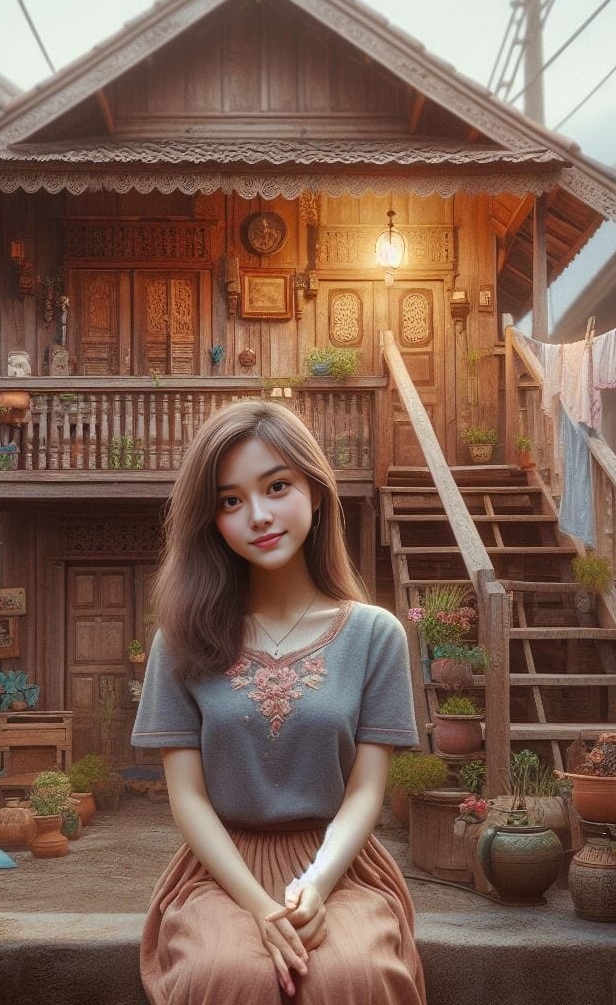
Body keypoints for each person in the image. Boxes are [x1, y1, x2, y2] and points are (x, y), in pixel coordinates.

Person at [132, 401, 425, 1005]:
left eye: (277, 486)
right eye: (230, 500)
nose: (258, 515)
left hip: (340, 868)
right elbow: (186, 796)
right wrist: (260, 907)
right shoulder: (181, 639)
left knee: (349, 976)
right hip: (219, 870)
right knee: (227, 975)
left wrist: (315, 885)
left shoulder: (375, 635)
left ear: (316, 493)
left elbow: (367, 789)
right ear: (210, 520)